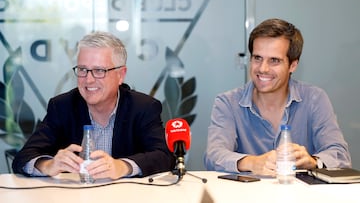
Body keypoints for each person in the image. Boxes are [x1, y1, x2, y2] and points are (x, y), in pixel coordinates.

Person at [12, 31, 175, 180]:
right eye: (83, 69)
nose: (88, 80)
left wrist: (123, 166)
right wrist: (49, 165)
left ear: (120, 75)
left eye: (99, 71)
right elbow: (23, 158)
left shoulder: (143, 108)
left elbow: (165, 157)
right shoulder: (62, 106)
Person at [204, 18, 351, 177]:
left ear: (293, 65)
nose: (262, 68)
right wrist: (251, 162)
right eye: (257, 58)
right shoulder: (228, 102)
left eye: (274, 60)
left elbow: (340, 155)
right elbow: (213, 155)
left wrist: (314, 161)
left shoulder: (314, 98)